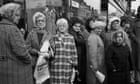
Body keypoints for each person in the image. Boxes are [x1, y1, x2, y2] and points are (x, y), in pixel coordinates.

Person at [0, 3, 33, 84]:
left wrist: (20, 36)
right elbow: (21, 52)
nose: (19, 18)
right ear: (9, 15)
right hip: (17, 72)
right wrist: (30, 60)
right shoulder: (13, 29)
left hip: (4, 71)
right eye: (17, 15)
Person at [26, 12, 52, 84]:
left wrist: (49, 54)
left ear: (45, 22)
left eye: (42, 20)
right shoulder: (31, 34)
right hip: (34, 63)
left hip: (45, 64)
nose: (40, 22)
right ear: (35, 22)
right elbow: (27, 47)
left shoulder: (48, 34)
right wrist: (37, 52)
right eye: (38, 21)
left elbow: (52, 49)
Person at [49, 18, 78, 84]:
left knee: (67, 81)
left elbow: (74, 52)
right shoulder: (53, 37)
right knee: (56, 82)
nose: (62, 27)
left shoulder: (71, 37)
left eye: (63, 26)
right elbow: (51, 51)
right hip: (56, 65)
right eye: (60, 26)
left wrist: (74, 64)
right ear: (57, 27)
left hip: (67, 65)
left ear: (67, 27)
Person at [69, 17, 89, 84]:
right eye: (75, 26)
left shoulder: (79, 34)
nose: (77, 28)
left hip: (80, 56)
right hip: (76, 57)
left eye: (79, 26)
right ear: (72, 26)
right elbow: (78, 41)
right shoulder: (71, 34)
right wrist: (84, 40)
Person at [86, 20, 106, 84]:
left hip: (97, 64)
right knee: (93, 81)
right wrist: (94, 66)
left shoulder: (96, 36)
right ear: (94, 28)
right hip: (95, 66)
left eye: (101, 29)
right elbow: (92, 53)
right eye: (98, 28)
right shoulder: (93, 38)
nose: (100, 30)